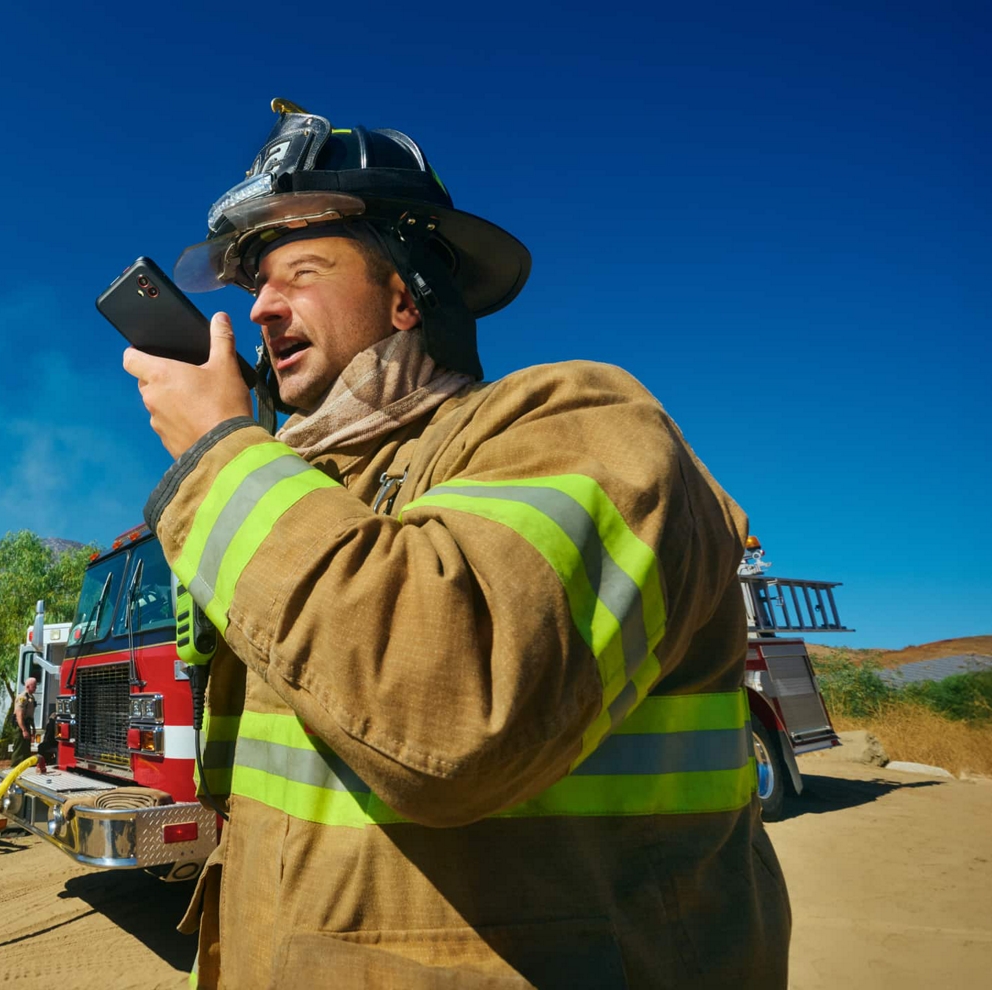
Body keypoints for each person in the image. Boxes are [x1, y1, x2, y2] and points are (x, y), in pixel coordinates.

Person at [122, 98, 791, 989]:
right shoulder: (312, 496)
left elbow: (454, 717)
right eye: (255, 290)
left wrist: (216, 456)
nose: (261, 313)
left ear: (405, 296)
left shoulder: (582, 422)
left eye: (301, 272)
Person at [11, 676, 37, 768]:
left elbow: (30, 715)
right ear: (28, 686)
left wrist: (33, 728)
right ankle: (14, 770)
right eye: (34, 686)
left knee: (26, 750)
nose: (35, 688)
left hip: (27, 725)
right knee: (19, 750)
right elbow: (19, 715)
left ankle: (24, 769)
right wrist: (23, 730)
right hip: (20, 727)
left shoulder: (31, 698)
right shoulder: (22, 698)